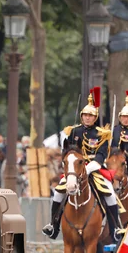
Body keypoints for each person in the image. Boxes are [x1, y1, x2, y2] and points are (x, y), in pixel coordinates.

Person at [43, 87, 122, 242]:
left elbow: (100, 156)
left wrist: (87, 168)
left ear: (95, 117)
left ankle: (115, 229)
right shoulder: (74, 131)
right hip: (75, 170)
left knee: (110, 194)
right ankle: (54, 225)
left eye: (90, 116)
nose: (87, 118)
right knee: (59, 192)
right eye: (85, 115)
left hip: (94, 169)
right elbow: (68, 151)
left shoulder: (101, 134)